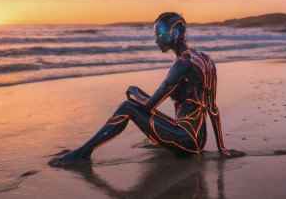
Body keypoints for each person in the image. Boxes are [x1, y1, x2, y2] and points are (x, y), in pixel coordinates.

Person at [49, 12, 244, 167]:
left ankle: (83, 153)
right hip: (198, 141)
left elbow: (150, 106)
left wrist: (133, 92)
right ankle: (154, 139)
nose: (156, 40)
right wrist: (222, 150)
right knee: (138, 97)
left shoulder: (182, 64)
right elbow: (213, 109)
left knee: (127, 105)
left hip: (184, 143)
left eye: (160, 34)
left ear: (174, 34)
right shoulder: (205, 59)